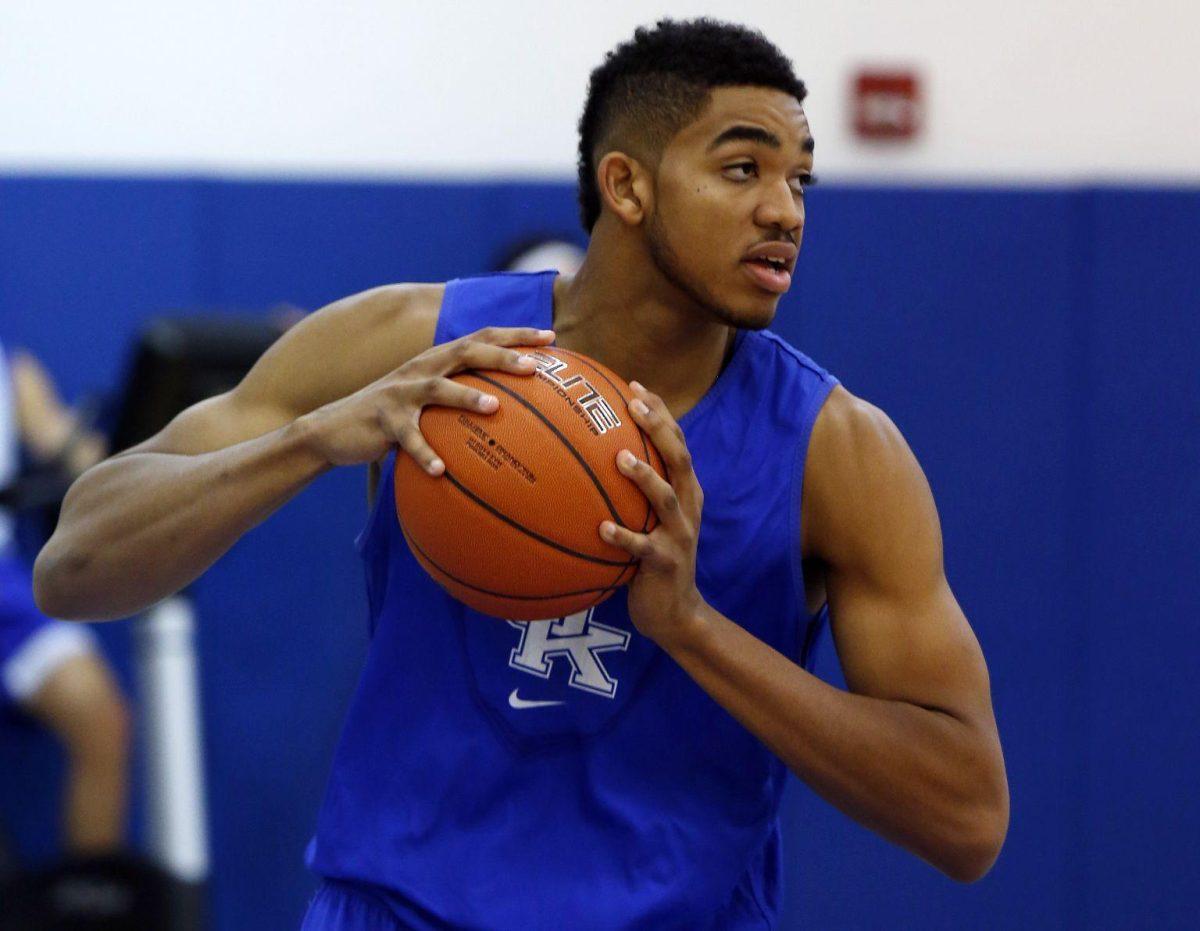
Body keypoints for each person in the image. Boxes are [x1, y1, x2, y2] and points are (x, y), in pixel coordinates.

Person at [33, 18, 1008, 929]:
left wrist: (694, 630)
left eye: (802, 181)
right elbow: (74, 567)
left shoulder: (839, 451)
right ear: (627, 187)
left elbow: (966, 818)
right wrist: (312, 440)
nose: (782, 210)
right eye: (744, 168)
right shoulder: (411, 343)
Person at [0, 342, 130, 858]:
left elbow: (81, 458)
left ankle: (86, 904)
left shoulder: (15, 371)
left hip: (5, 595)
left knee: (98, 715)